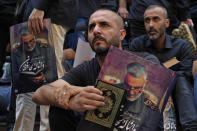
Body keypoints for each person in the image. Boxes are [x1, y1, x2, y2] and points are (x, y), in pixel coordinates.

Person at [32, 9, 163, 131]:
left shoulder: (145, 61)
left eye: (104, 25)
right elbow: (39, 94)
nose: (96, 30)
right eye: (91, 27)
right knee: (59, 108)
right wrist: (72, 97)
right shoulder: (86, 68)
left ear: (122, 34)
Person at [129, 5, 197, 130]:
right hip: (146, 89)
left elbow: (186, 75)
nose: (150, 25)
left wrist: (159, 71)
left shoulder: (181, 46)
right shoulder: (137, 44)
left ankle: (191, 128)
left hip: (176, 89)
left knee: (180, 80)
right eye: (147, 20)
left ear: (166, 23)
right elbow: (135, 73)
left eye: (156, 19)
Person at [12, 26, 57, 131]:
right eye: (26, 43)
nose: (29, 44)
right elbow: (15, 76)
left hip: (46, 84)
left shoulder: (45, 47)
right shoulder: (16, 52)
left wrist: (44, 77)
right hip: (26, 86)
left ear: (35, 38)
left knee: (48, 120)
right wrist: (27, 77)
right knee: (23, 121)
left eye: (31, 41)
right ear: (21, 42)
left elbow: (52, 69)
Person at [118, 0, 193, 41]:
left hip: (138, 12)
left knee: (139, 48)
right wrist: (184, 17)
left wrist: (122, 6)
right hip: (161, 11)